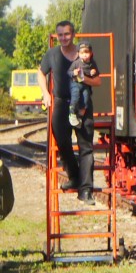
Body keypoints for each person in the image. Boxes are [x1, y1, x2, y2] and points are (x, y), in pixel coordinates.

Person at [37, 21, 101, 204]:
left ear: (73, 35)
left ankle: (86, 191)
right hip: (60, 105)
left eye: (67, 34)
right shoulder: (52, 54)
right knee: (62, 141)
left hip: (82, 106)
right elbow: (41, 73)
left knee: (86, 147)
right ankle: (74, 176)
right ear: (57, 36)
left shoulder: (84, 54)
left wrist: (83, 78)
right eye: (60, 35)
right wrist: (45, 93)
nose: (64, 38)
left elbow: (97, 81)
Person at [68, 41, 100, 129]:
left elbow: (97, 79)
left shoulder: (92, 63)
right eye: (82, 53)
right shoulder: (76, 63)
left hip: (86, 86)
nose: (84, 55)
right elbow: (69, 72)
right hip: (76, 84)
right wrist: (74, 73)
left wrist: (92, 73)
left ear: (91, 53)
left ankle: (80, 117)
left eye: (86, 52)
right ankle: (72, 113)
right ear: (78, 54)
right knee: (76, 96)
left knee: (86, 99)